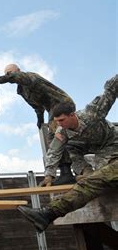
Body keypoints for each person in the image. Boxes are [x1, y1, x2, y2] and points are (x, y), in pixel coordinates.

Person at [17, 75, 117, 232]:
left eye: (62, 120)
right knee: (72, 150)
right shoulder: (61, 131)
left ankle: (49, 213)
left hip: (113, 142)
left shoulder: (92, 113)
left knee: (97, 180)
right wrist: (49, 174)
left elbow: (109, 92)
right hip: (98, 151)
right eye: (57, 121)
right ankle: (85, 173)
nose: (59, 124)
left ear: (72, 115)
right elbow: (54, 152)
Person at [0, 64, 77, 185]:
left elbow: (18, 77)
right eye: (6, 74)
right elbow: (37, 106)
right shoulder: (22, 91)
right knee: (54, 136)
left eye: (10, 73)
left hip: (62, 103)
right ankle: (66, 170)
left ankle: (67, 173)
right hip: (52, 109)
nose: (8, 76)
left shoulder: (30, 77)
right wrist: (40, 119)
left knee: (55, 136)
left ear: (19, 71)